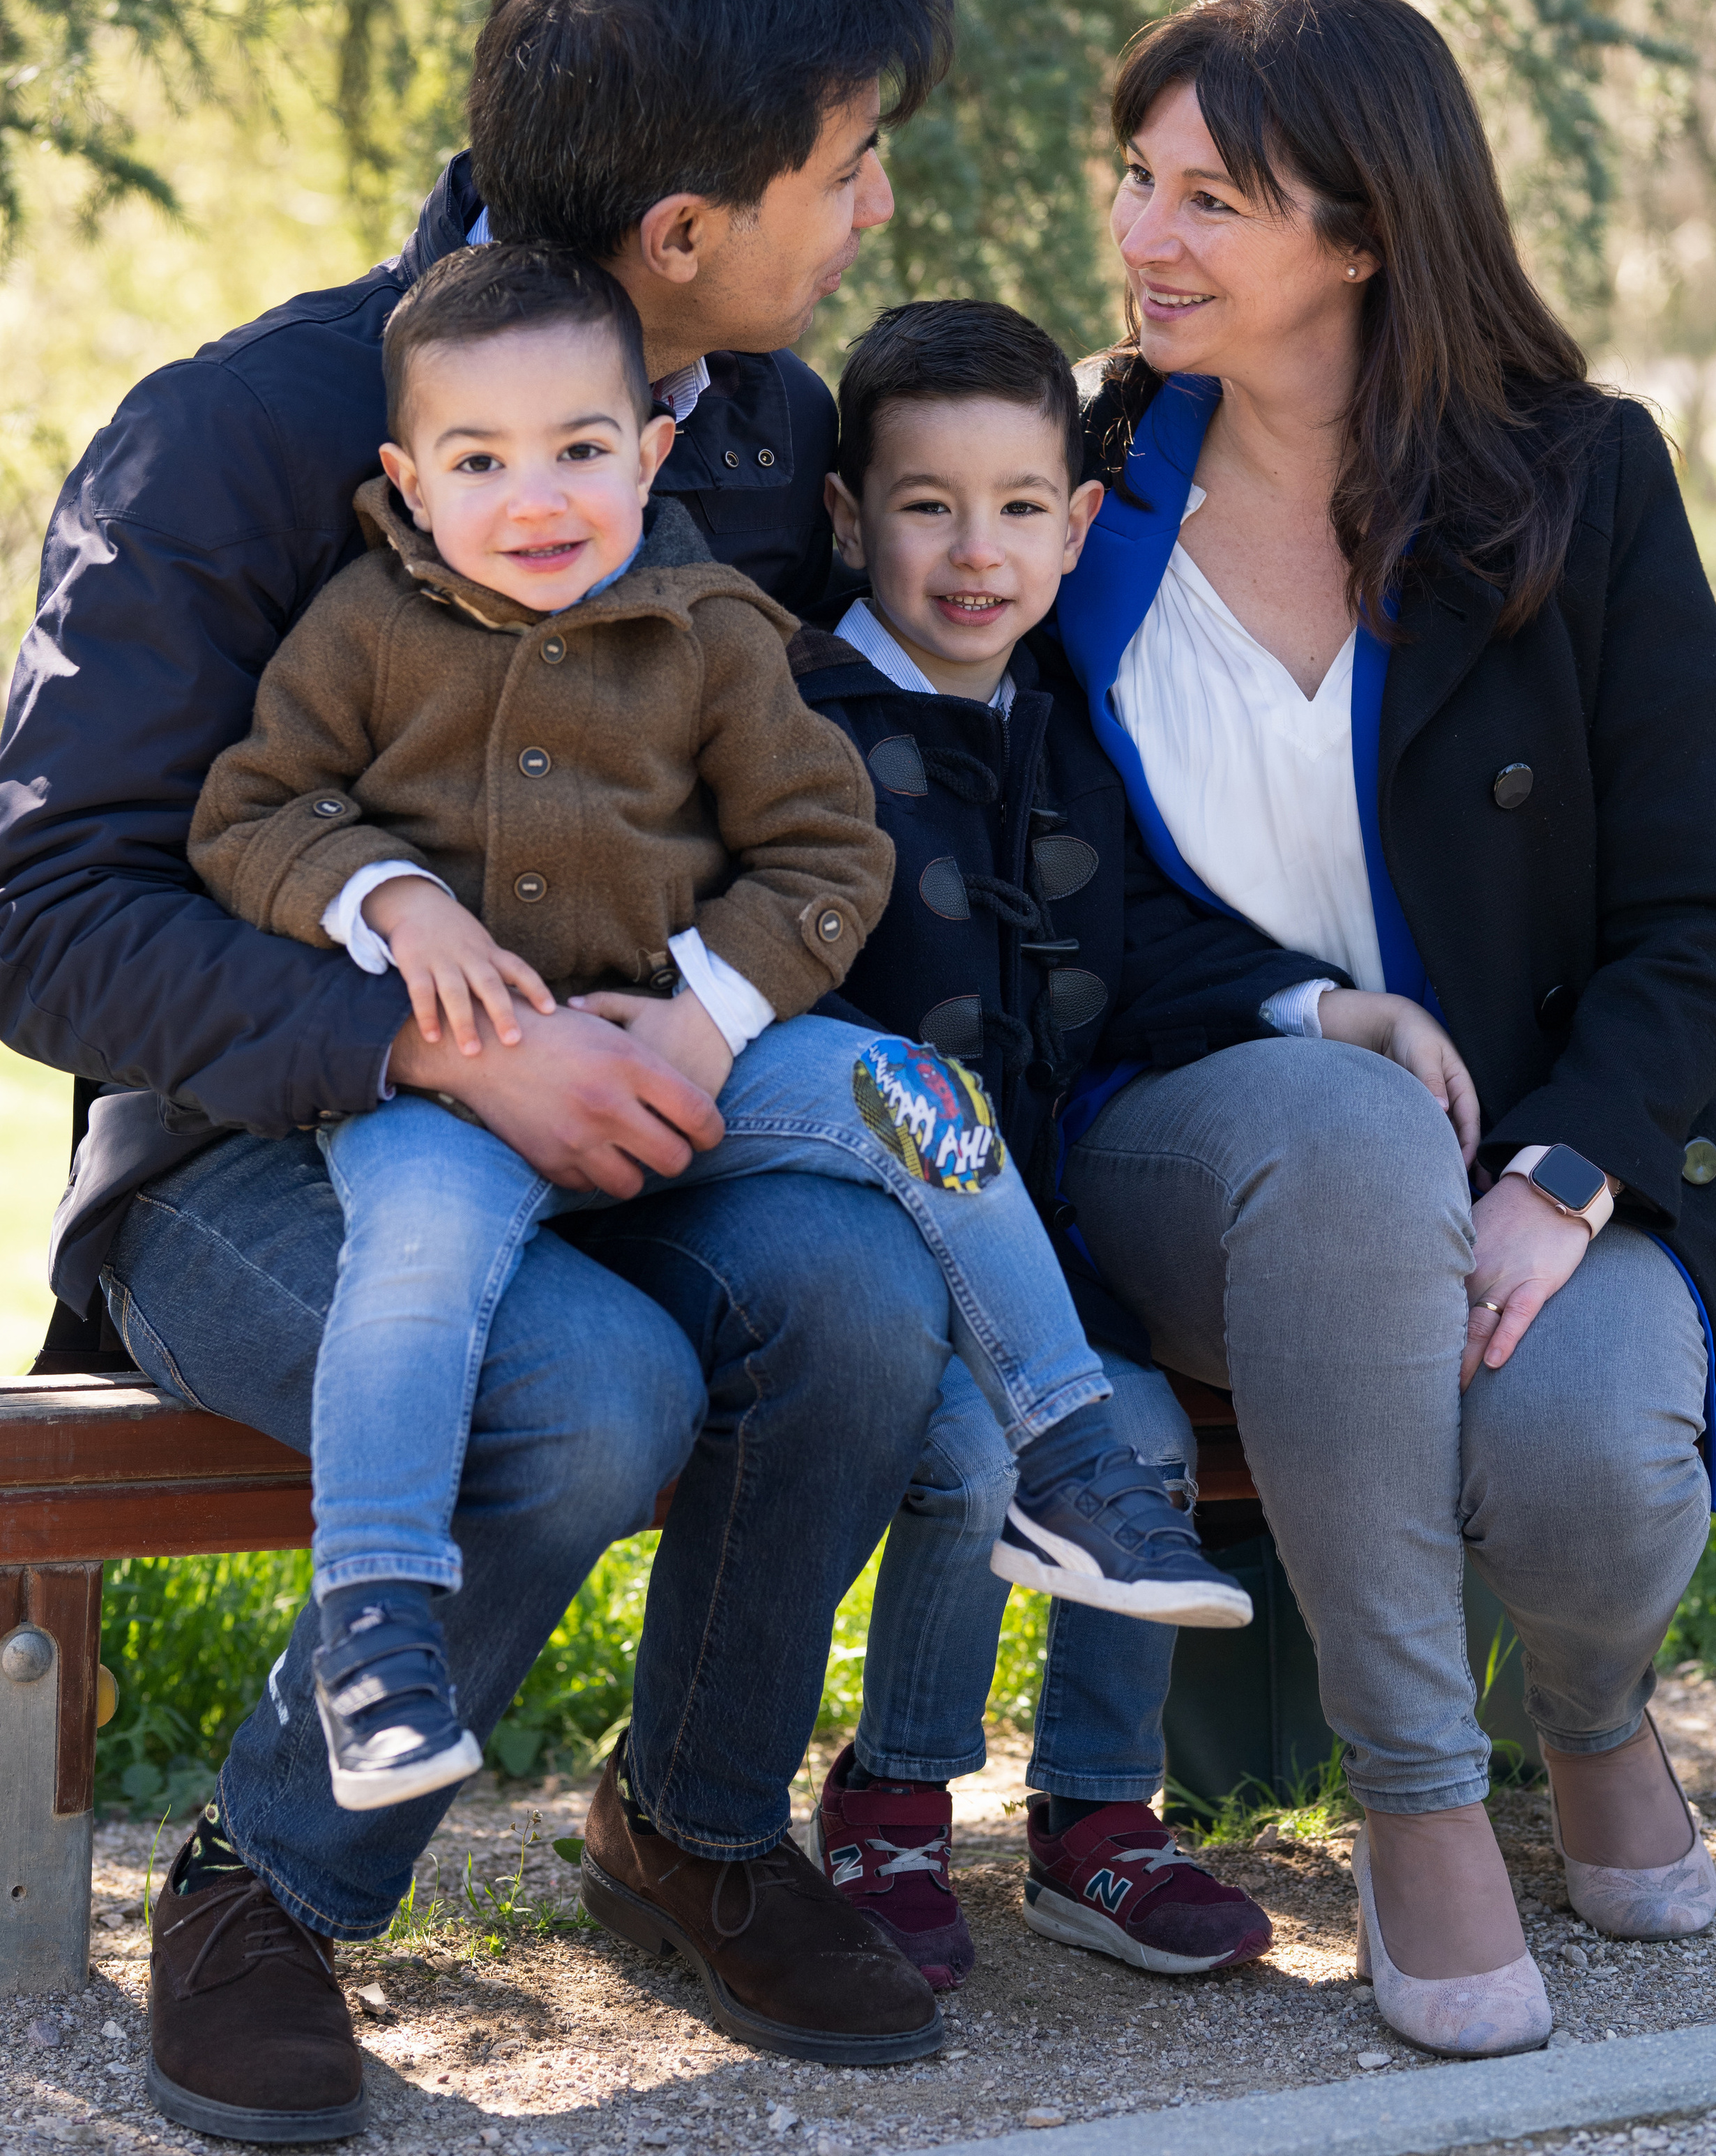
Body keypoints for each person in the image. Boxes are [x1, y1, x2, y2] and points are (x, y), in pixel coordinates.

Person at [0, 0, 998, 2130]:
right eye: (843, 164)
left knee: (855, 1286)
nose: (874, 209)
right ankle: (268, 1884)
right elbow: (43, 906)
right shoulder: (241, 437)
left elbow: (807, 813)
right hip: (267, 1154)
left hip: (652, 1115)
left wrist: (701, 1034)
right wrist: (447, 1042)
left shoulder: (743, 434)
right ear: (676, 226)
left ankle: (696, 1827)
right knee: (582, 1386)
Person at [191, 243, 1254, 1814]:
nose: (536, 496)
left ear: (651, 452)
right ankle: (378, 1627)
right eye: (480, 462)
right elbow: (251, 813)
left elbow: (829, 853)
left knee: (918, 1101)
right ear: (410, 482)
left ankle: (1072, 1458)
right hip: (449, 1094)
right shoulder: (362, 631)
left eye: (579, 450)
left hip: (698, 1059)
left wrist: (708, 1014)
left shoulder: (711, 632)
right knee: (410, 1272)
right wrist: (395, 903)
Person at [1047, 0, 1716, 2058]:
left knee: (1597, 1479)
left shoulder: (1579, 484)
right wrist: (1314, 1013)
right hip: (1193, 1147)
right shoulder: (1079, 495)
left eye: (1215, 200)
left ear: (1362, 235)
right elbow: (1061, 904)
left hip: (1544, 1147)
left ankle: (1587, 1709)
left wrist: (1559, 1173)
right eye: (1139, 179)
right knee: (1351, 1129)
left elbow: (1700, 908)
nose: (1146, 236)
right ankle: (1418, 1797)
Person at [785, 297, 1474, 1991]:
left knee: (1136, 1424)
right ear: (844, 516)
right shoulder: (792, 721)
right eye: (923, 505)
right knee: (966, 1451)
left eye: (1019, 506)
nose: (973, 552)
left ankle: (1098, 1818)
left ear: (1076, 524)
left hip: (1045, 1237)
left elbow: (1157, 939)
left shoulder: (1061, 723)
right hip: (859, 1248)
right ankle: (889, 1799)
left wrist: (1329, 1014)